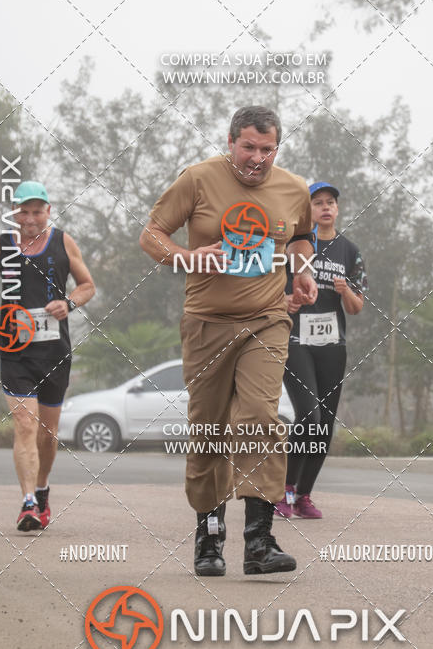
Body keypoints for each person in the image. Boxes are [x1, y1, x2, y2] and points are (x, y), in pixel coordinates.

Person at [140, 106, 317, 576]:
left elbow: (301, 237)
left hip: (267, 319)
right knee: (210, 429)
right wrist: (187, 257)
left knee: (261, 416)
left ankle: (259, 542)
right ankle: (209, 537)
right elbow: (152, 235)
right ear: (230, 140)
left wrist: (301, 271)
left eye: (267, 149)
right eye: (249, 147)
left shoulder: (294, 187)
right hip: (207, 322)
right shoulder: (198, 180)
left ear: (276, 147)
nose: (257, 158)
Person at [0, 182, 95, 531]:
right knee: (25, 425)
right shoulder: (3, 243)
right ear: (15, 213)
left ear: (48, 209)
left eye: (36, 211)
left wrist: (69, 303)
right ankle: (28, 502)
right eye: (23, 212)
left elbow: (88, 284)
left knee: (48, 433)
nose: (29, 219)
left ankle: (42, 488)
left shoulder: (63, 242)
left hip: (54, 350)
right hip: (14, 348)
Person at [276, 181, 367, 519]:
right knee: (308, 416)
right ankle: (282, 491)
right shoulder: (294, 246)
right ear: (308, 210)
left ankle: (303, 496)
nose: (326, 207)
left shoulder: (350, 251)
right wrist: (283, 302)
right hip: (296, 343)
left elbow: (357, 307)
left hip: (332, 346)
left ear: (338, 209)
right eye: (318, 203)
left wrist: (345, 292)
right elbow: (269, 287)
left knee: (324, 425)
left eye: (331, 202)